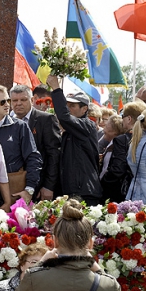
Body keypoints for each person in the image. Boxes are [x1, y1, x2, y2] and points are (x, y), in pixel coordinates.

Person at [11, 199, 125, 291]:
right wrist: (99, 271)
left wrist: (40, 264)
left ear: (55, 242)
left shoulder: (35, 278)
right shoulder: (108, 285)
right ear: (90, 244)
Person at [46, 75, 102, 206]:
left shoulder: (87, 125)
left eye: (72, 106)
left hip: (84, 193)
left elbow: (64, 117)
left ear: (84, 109)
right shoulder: (71, 130)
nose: (68, 108)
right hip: (73, 191)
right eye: (67, 105)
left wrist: (56, 88)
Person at [0, 84, 42, 204]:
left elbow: (33, 158)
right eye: (2, 102)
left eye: (8, 101)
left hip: (15, 190)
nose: (7, 105)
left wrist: (29, 189)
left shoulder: (20, 126)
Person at [10, 84, 61, 201]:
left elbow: (54, 155)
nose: (18, 103)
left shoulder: (46, 119)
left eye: (23, 100)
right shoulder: (7, 121)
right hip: (12, 186)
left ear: (32, 100)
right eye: (15, 100)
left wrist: (48, 186)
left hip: (39, 187)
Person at [100, 101, 146, 203]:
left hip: (122, 193)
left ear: (129, 119)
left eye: (123, 116)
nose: (122, 119)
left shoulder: (123, 139)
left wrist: (102, 182)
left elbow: (118, 169)